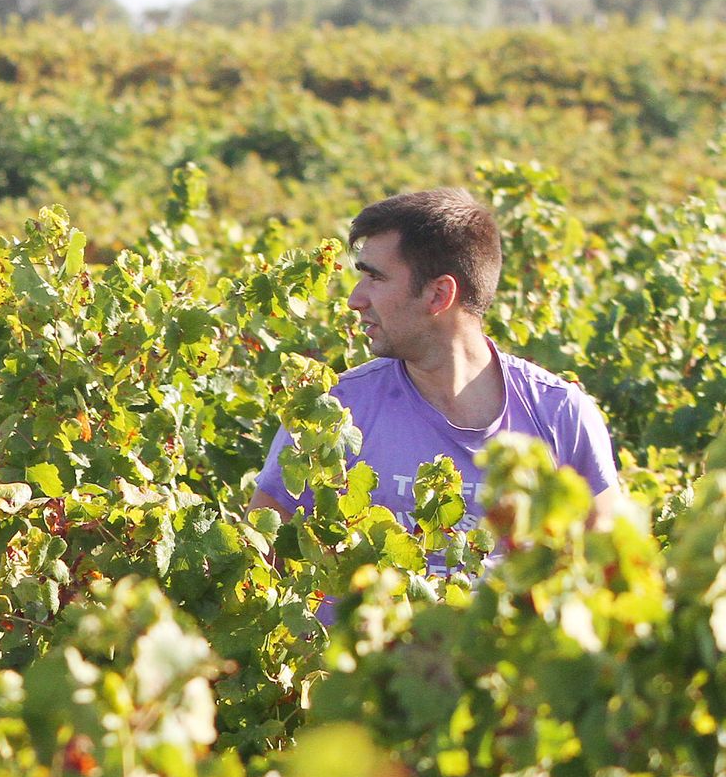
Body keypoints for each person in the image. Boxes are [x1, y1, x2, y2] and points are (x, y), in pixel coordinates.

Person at [249, 187, 622, 553]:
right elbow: (263, 567)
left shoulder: (560, 415)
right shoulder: (332, 413)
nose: (354, 299)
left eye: (375, 277)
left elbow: (606, 573)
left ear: (439, 295)